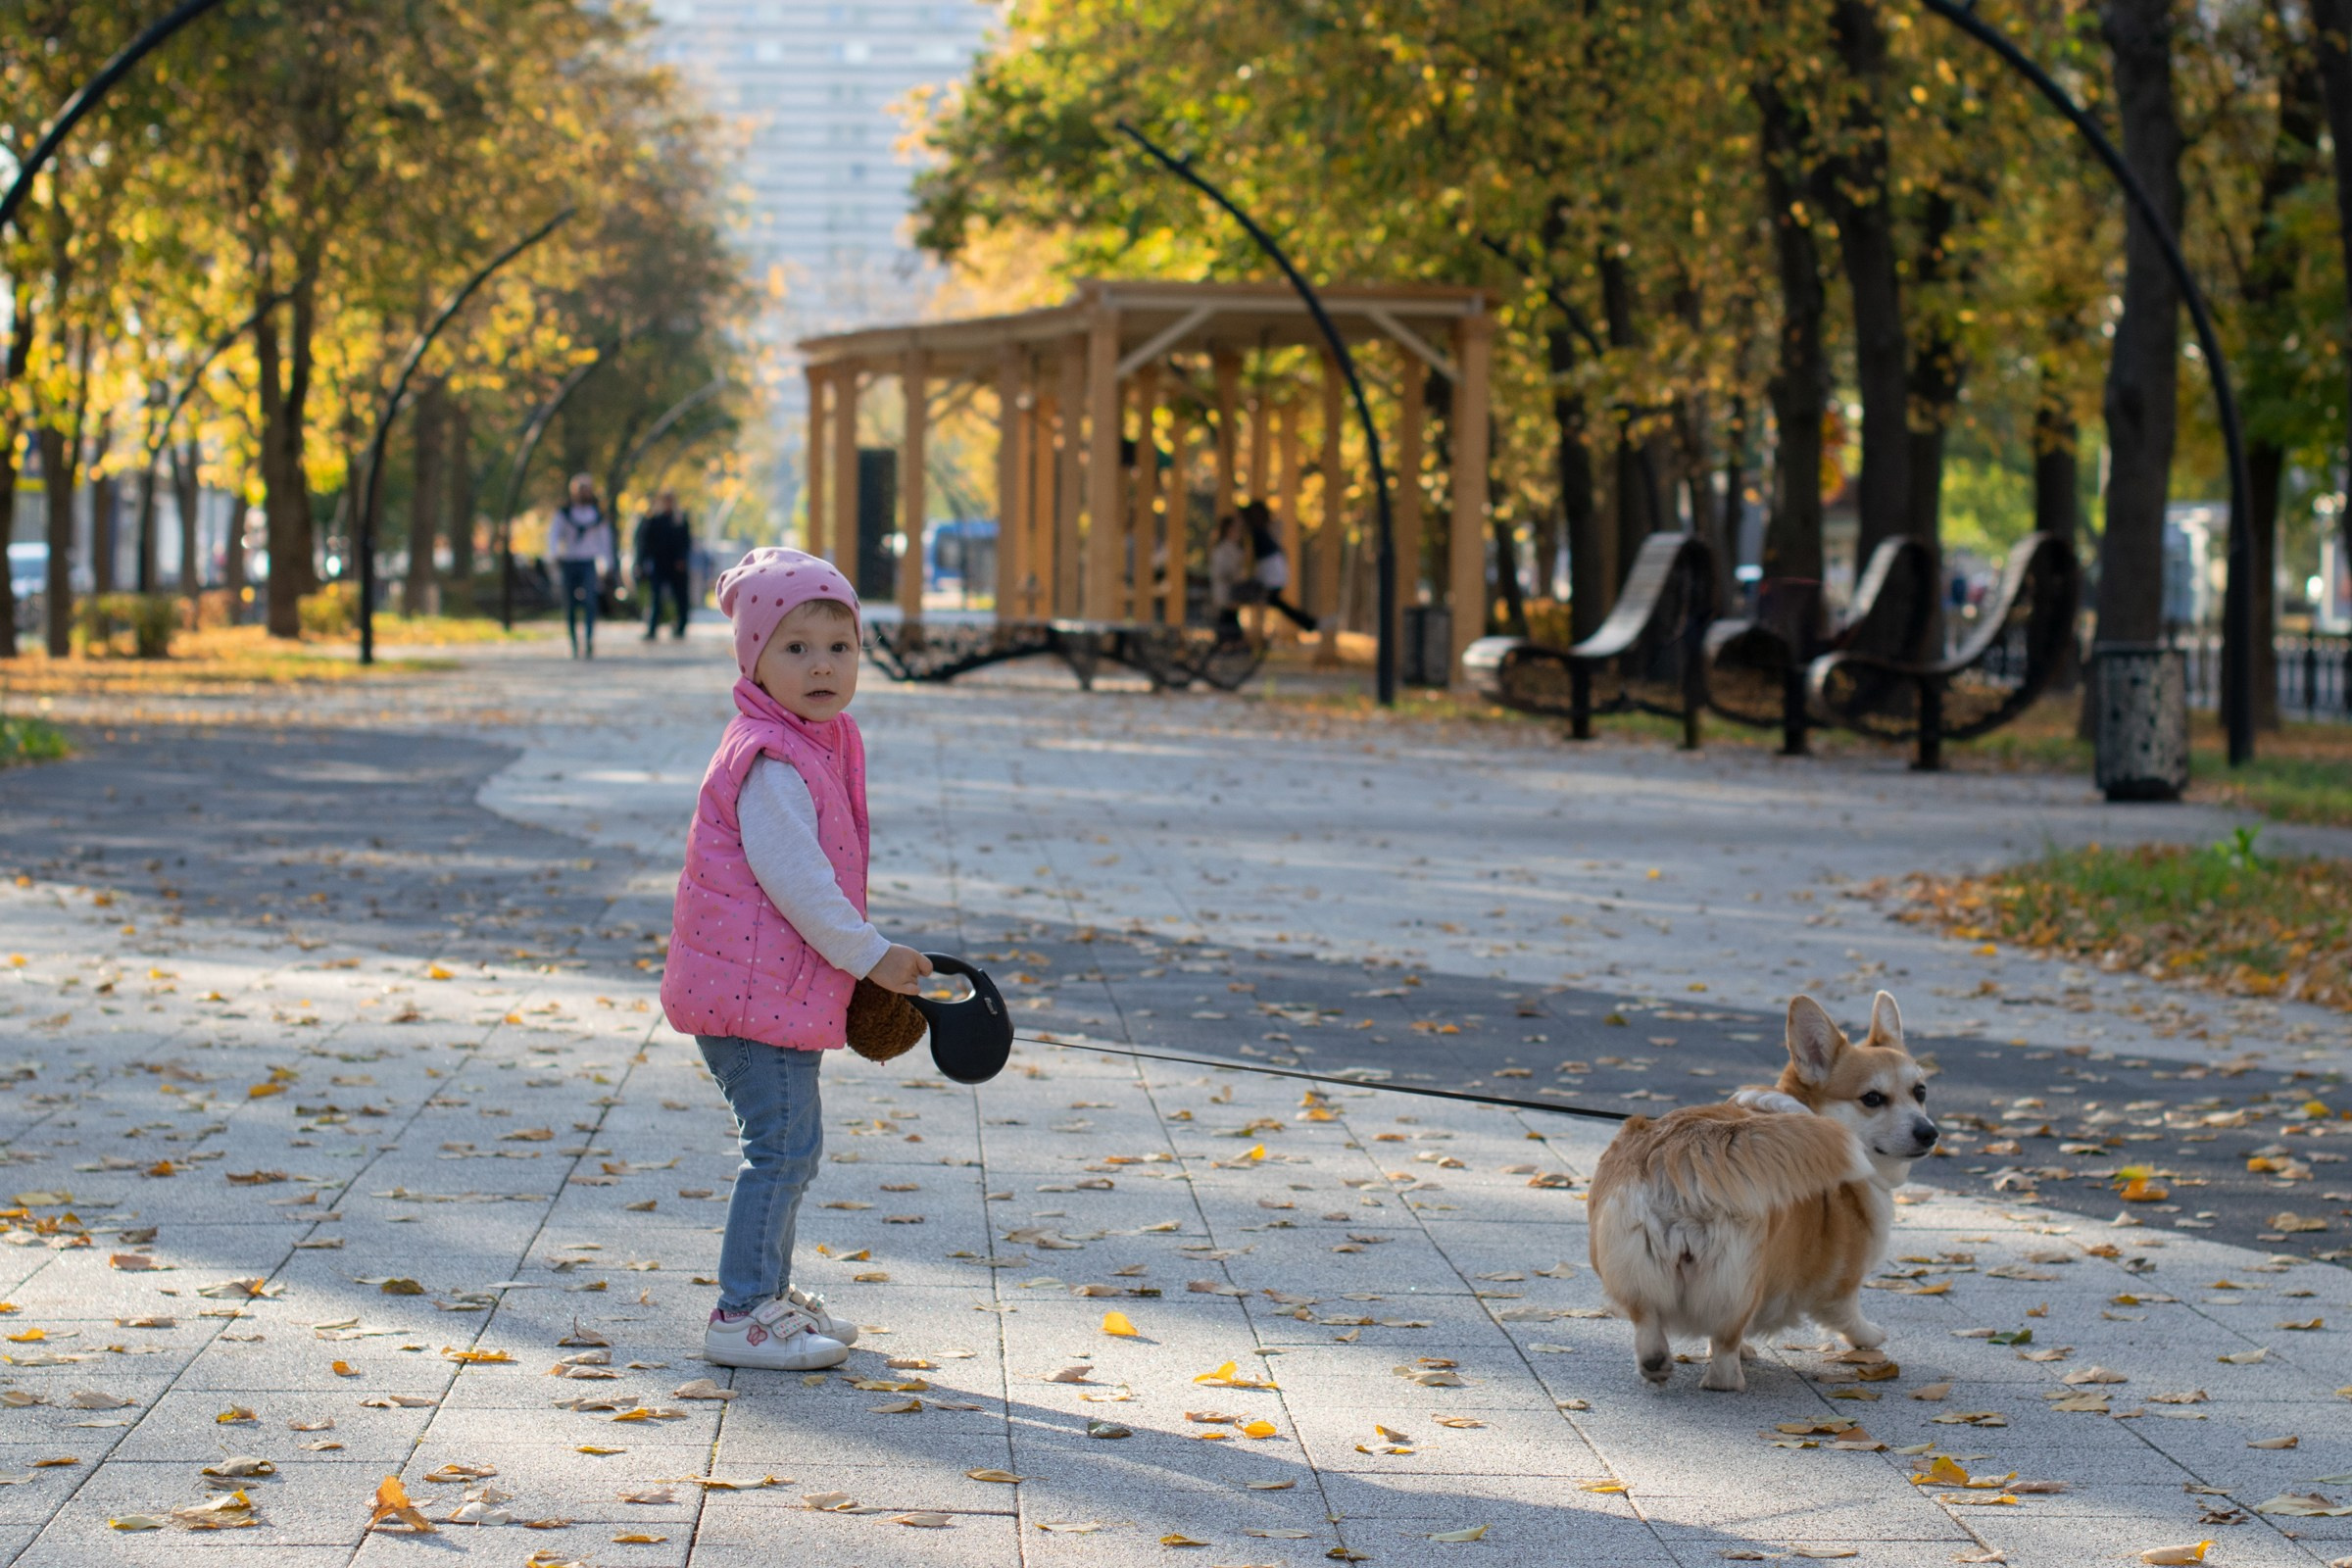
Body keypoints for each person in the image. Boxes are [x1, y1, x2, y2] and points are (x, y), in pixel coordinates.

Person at [660, 547, 934, 1371]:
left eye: (839, 647)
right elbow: (802, 886)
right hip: (748, 998)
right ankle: (741, 1309)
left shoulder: (817, 740)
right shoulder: (771, 760)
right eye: (796, 648)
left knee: (792, 1145)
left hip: (771, 990)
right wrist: (873, 957)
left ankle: (767, 1292)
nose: (822, 665)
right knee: (779, 1148)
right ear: (755, 658)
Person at [548, 474, 614, 658]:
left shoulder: (597, 515)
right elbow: (554, 535)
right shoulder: (564, 513)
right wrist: (553, 555)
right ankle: (574, 642)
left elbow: (604, 540)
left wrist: (607, 563)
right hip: (569, 561)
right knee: (569, 603)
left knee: (590, 601)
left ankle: (589, 639)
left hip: (588, 562)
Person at [1240, 500, 1317, 633]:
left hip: (1271, 574)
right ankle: (1309, 623)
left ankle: (1309, 623)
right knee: (1275, 602)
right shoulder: (1263, 532)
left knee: (1271, 600)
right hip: (1274, 572)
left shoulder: (1258, 533)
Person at [635, 490, 694, 640]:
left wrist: (682, 558)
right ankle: (652, 627)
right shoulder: (654, 519)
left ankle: (681, 626)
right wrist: (641, 562)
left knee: (680, 597)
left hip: (677, 565)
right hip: (659, 563)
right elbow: (645, 542)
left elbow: (686, 542)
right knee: (656, 598)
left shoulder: (680, 519)